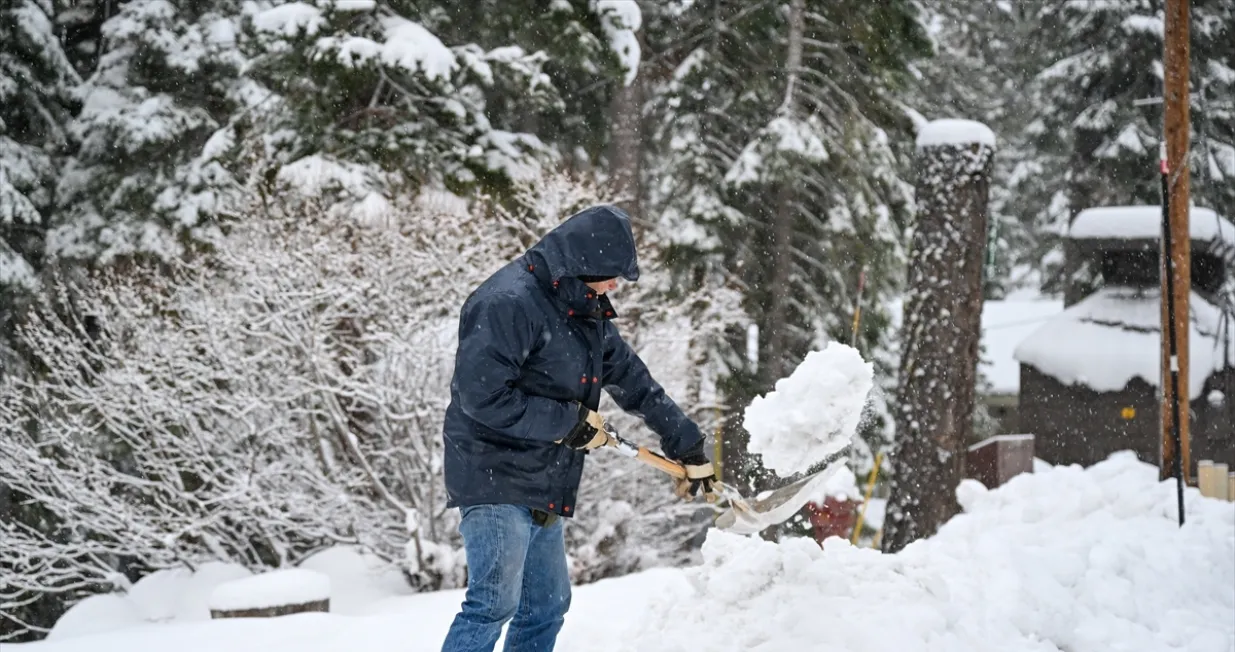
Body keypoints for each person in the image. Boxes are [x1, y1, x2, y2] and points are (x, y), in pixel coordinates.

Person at [439, 204, 716, 652]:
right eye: (608, 274)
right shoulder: (507, 303)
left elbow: (634, 381)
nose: (613, 286)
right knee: (493, 602)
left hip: (544, 477)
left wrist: (688, 445)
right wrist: (567, 423)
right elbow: (480, 396)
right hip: (493, 473)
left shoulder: (584, 310)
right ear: (579, 263)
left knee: (546, 607)